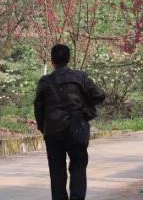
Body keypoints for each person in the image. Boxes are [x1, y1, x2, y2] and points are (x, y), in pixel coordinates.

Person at [34, 44, 107, 200]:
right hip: (77, 128)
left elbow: (38, 106)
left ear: (52, 60)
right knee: (79, 166)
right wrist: (86, 104)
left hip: (53, 131)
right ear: (68, 59)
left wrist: (42, 127)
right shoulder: (80, 77)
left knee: (57, 170)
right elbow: (99, 95)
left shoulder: (45, 81)